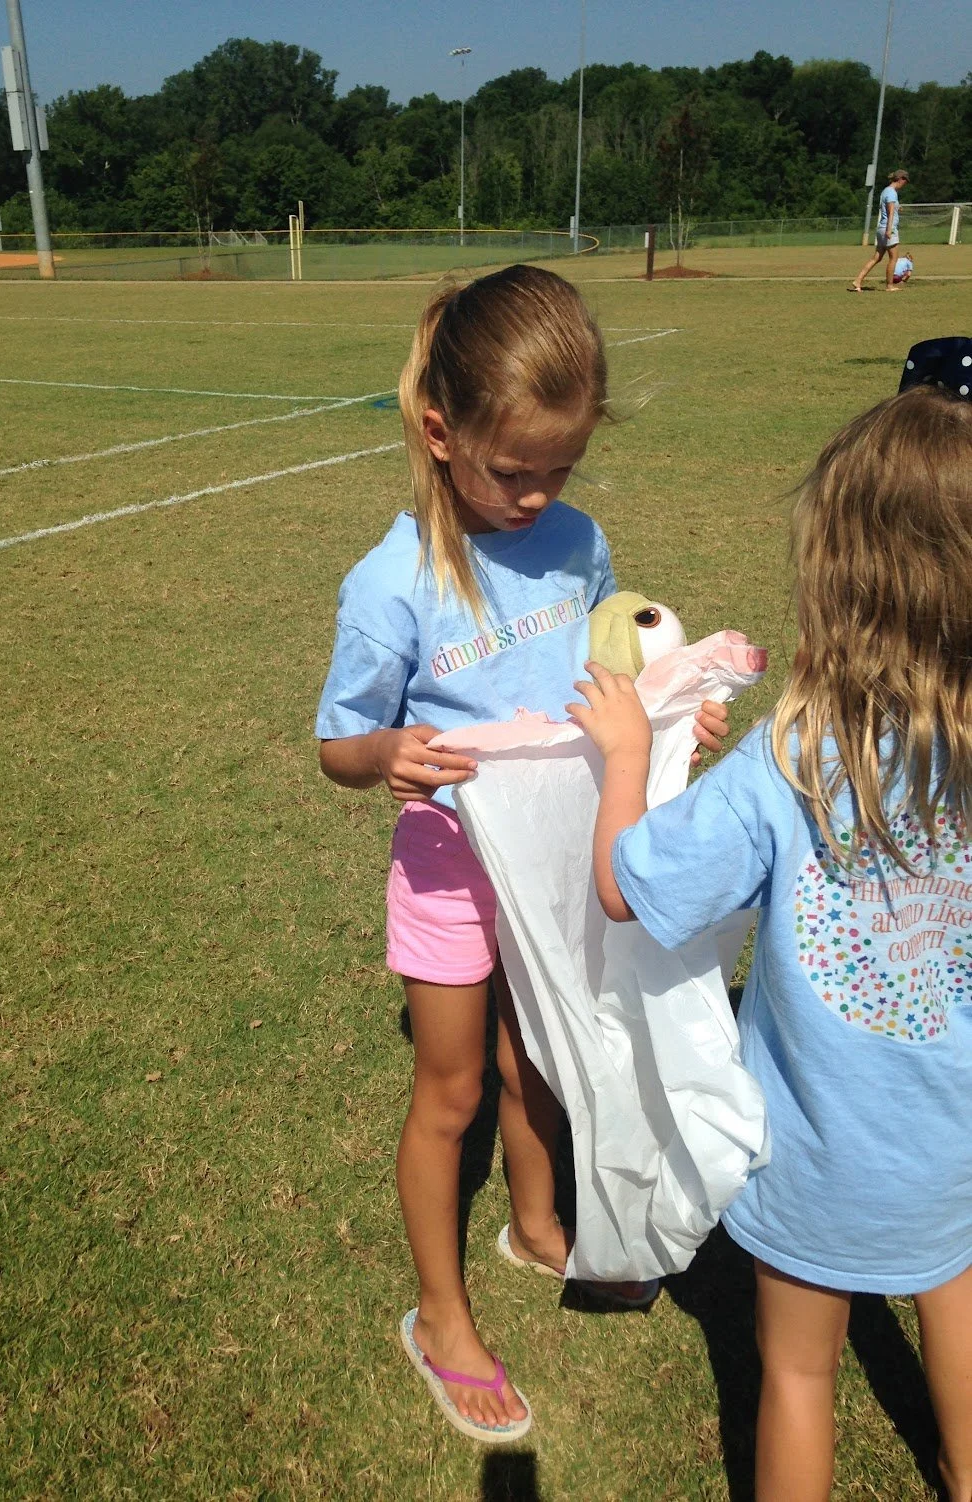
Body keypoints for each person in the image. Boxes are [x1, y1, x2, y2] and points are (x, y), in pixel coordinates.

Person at [315, 264, 730, 1442]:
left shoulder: (575, 540)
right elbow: (338, 746)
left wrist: (670, 708)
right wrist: (387, 753)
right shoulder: (391, 584)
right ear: (439, 433)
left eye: (563, 466)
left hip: (551, 852)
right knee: (453, 1090)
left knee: (539, 1053)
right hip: (449, 867)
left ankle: (538, 1224)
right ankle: (440, 1316)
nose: (538, 494)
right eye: (513, 471)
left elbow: (603, 677)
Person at [570, 382, 972, 1501]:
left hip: (814, 1157)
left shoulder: (788, 759)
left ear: (833, 582)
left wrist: (624, 757)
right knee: (956, 1294)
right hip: (953, 1139)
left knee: (796, 1371)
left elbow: (623, 887)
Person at [851, 168, 910, 292]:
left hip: (881, 229)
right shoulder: (892, 193)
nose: (904, 185)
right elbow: (890, 212)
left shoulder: (886, 191)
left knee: (876, 258)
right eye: (905, 182)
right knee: (894, 258)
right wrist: (889, 230)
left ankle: (858, 280)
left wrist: (898, 208)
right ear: (900, 179)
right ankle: (889, 285)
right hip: (888, 229)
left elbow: (890, 208)